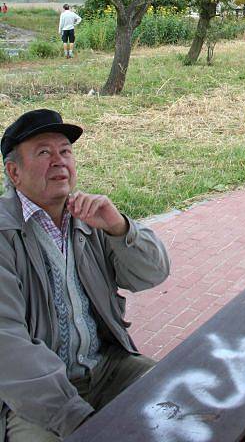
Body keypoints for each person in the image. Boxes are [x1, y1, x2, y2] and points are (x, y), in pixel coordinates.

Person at [0, 109, 170, 441]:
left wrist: (120, 228)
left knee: (175, 395)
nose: (59, 160)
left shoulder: (88, 219)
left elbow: (154, 273)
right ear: (14, 172)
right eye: (44, 152)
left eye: (65, 151)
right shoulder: (4, 235)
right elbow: (7, 346)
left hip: (107, 367)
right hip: (33, 399)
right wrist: (77, 419)